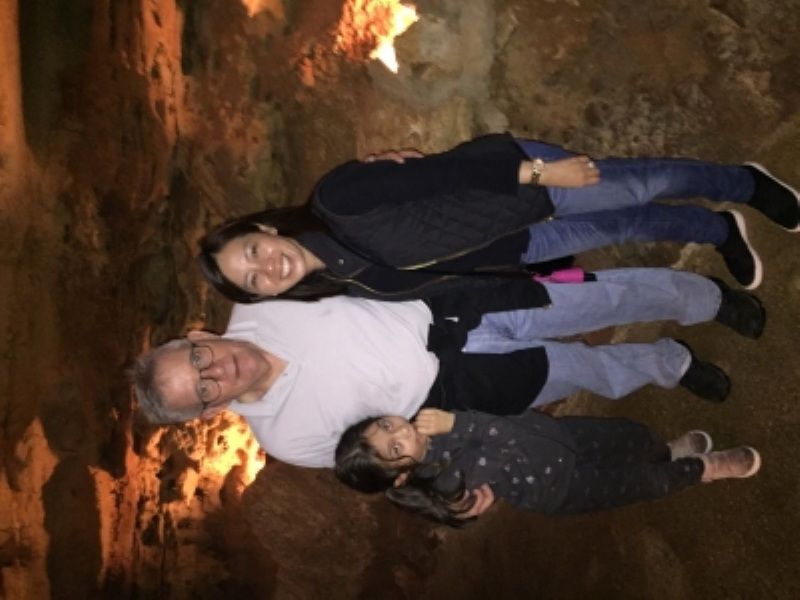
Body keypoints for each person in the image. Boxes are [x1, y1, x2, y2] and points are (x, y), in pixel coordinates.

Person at [130, 266, 764, 471]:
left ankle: (706, 298)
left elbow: (343, 258)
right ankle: (670, 363)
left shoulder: (260, 296)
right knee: (583, 370)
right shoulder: (285, 438)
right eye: (204, 389)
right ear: (212, 410)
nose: (217, 370)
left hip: (456, 308)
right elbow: (385, 452)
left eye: (197, 358)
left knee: (601, 297)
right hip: (456, 388)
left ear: (197, 334)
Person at [199, 134, 799, 302]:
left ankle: (743, 182)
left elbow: (443, 174)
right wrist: (527, 277)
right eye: (253, 279)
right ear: (267, 294)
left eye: (251, 251)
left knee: (646, 181)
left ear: (265, 230)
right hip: (520, 245)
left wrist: (542, 171)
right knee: (627, 226)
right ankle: (718, 229)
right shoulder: (341, 287)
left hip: (526, 186)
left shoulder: (336, 199)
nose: (266, 266)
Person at [333, 408, 762, 526]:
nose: (401, 432)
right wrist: (460, 422)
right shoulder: (449, 480)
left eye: (386, 425)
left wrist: (453, 419)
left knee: (631, 437)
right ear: (401, 475)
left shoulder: (430, 418)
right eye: (393, 448)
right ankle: (702, 469)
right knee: (642, 483)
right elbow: (502, 444)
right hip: (563, 487)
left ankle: (667, 452)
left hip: (565, 437)